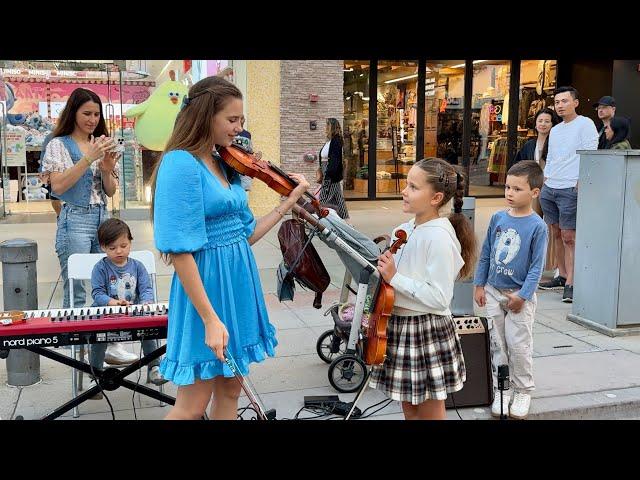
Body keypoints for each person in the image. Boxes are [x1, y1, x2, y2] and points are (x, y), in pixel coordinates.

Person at [151, 76, 310, 420]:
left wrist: (288, 202)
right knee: (192, 404)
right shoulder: (181, 164)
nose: (239, 129)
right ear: (206, 116)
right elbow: (180, 252)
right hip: (206, 288)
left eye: (242, 120)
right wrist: (209, 319)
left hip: (237, 283)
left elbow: (245, 235)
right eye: (232, 119)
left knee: (230, 390)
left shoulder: (224, 162)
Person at [369, 157, 477, 420]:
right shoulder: (404, 230)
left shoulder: (439, 236)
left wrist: (394, 278)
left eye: (414, 187)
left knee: (429, 410)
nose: (404, 191)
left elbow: (439, 298)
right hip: (401, 325)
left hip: (426, 329)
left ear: (436, 197)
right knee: (409, 408)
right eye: (407, 184)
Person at [41, 87, 136, 365]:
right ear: (73, 112)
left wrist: (106, 167)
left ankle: (107, 346)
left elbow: (109, 191)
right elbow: (57, 186)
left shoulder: (102, 142)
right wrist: (87, 159)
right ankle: (79, 353)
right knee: (78, 288)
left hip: (102, 217)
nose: (92, 119)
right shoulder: (58, 144)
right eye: (87, 113)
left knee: (109, 284)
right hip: (75, 219)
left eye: (96, 114)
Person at [474, 161, 548, 420]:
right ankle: (501, 389)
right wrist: (479, 284)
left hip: (518, 297)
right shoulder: (498, 218)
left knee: (518, 345)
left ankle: (523, 390)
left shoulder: (538, 226)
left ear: (535, 192)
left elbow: (537, 267)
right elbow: (486, 254)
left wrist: (522, 296)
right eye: (507, 187)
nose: (509, 192)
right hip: (494, 291)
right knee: (498, 344)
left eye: (517, 188)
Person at [89, 218, 167, 399]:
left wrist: (146, 302)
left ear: (130, 242)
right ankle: (96, 375)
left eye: (123, 246)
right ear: (102, 247)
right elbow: (97, 293)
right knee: (98, 339)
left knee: (149, 333)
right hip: (106, 316)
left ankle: (154, 367)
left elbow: (146, 289)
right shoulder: (100, 268)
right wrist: (112, 302)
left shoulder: (137, 266)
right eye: (112, 248)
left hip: (133, 315)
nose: (119, 251)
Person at [538, 86, 598, 303]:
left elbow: (591, 153)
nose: (560, 105)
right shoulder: (555, 130)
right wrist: (545, 181)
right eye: (557, 102)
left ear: (575, 102)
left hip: (570, 188)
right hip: (550, 186)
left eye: (564, 101)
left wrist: (581, 181)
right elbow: (552, 156)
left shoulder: (585, 124)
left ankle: (572, 281)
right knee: (555, 234)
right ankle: (562, 275)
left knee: (569, 237)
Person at [512, 108, 559, 272]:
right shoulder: (529, 144)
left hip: (552, 186)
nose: (543, 124)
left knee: (552, 226)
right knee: (531, 223)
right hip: (532, 188)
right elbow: (519, 165)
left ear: (553, 124)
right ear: (536, 123)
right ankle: (529, 263)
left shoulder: (557, 142)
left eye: (547, 121)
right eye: (540, 121)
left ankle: (553, 265)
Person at [318, 118, 349, 219]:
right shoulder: (330, 141)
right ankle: (345, 219)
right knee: (338, 197)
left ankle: (320, 216)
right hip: (327, 170)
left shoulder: (336, 141)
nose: (325, 128)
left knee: (324, 196)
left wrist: (328, 174)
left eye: (327, 126)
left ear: (332, 127)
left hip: (330, 172)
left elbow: (335, 160)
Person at [39, 132, 62, 218]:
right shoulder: (50, 137)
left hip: (71, 172)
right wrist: (42, 170)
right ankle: (60, 216)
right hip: (54, 172)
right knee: (54, 196)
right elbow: (43, 154)